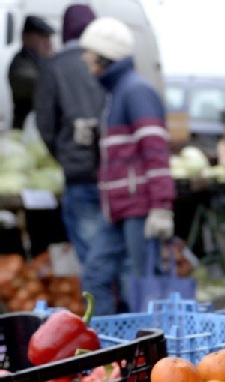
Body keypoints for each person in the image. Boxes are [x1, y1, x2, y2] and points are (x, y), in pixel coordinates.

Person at [79, 17, 176, 314]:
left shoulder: (135, 91)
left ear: (103, 56)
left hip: (139, 209)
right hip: (119, 209)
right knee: (95, 277)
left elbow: (156, 151)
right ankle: (107, 353)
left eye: (89, 52)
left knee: (143, 285)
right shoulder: (118, 92)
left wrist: (161, 206)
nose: (84, 59)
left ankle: (152, 352)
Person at [35, 4, 105, 267]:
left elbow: (45, 123)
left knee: (91, 255)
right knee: (114, 252)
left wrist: (62, 152)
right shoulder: (106, 62)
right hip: (111, 173)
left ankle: (102, 307)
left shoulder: (54, 67)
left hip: (77, 171)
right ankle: (121, 305)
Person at [8, 15, 55, 129]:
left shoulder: (43, 62)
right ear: (26, 38)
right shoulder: (21, 65)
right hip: (27, 131)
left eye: (48, 38)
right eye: (42, 38)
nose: (47, 43)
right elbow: (39, 86)